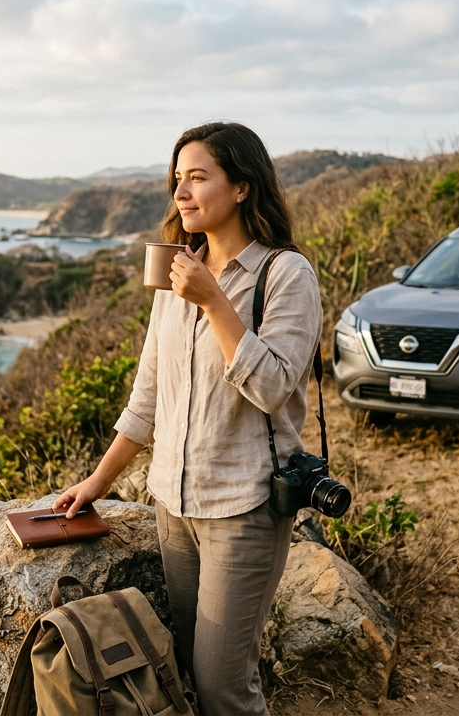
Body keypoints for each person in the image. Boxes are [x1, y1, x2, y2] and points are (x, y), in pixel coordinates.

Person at [54, 122, 323, 715]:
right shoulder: (175, 270)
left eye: (198, 177)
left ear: (243, 187)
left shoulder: (285, 275)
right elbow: (149, 393)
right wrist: (98, 482)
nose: (181, 192)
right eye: (177, 179)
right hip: (172, 507)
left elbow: (275, 387)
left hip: (243, 507)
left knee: (226, 685)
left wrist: (215, 302)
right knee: (190, 675)